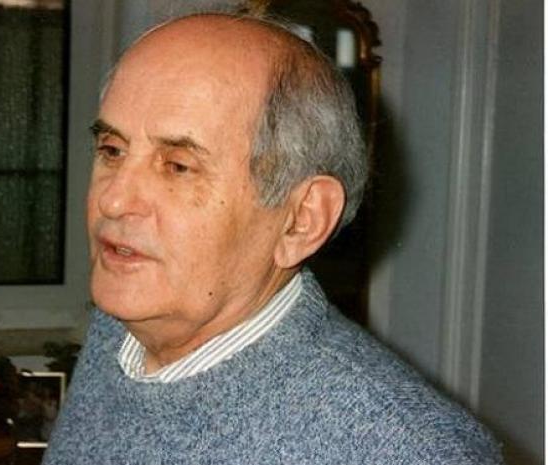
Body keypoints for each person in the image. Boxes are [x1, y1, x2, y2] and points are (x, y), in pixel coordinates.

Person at [43, 12, 503, 465]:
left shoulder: (407, 450)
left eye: (178, 167)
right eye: (112, 150)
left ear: (302, 220)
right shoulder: (121, 335)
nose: (113, 200)